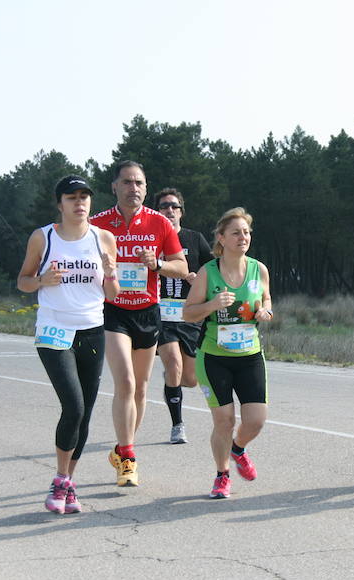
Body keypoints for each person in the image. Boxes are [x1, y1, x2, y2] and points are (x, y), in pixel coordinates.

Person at [17, 174, 120, 514]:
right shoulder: (43, 237)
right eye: (72, 197)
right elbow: (23, 281)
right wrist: (42, 280)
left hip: (91, 330)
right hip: (54, 331)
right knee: (73, 406)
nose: (80, 203)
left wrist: (111, 274)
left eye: (85, 197)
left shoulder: (103, 239)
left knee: (86, 414)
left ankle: (69, 483)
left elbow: (112, 294)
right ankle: (60, 479)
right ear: (59, 203)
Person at [89, 161, 187, 487]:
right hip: (113, 311)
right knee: (126, 383)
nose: (134, 188)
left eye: (140, 183)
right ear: (114, 186)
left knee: (142, 389)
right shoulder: (98, 225)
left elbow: (181, 266)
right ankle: (129, 458)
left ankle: (120, 448)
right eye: (128, 182)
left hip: (148, 311)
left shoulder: (160, 223)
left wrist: (157, 263)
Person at [184, 207, 273, 499]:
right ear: (221, 238)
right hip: (215, 357)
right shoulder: (208, 273)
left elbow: (266, 298)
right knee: (223, 420)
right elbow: (188, 314)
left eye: (246, 232)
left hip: (250, 354)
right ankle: (222, 475)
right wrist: (211, 305)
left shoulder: (259, 269)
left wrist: (265, 310)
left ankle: (238, 449)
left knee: (256, 420)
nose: (243, 237)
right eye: (236, 232)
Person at [154, 187, 214, 444]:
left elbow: (213, 269)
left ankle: (171, 380)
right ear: (157, 211)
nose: (169, 210)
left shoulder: (194, 238)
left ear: (181, 211)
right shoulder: (150, 240)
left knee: (188, 378)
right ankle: (177, 425)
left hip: (189, 315)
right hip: (161, 315)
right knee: (173, 364)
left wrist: (197, 277)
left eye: (174, 206)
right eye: (164, 206)